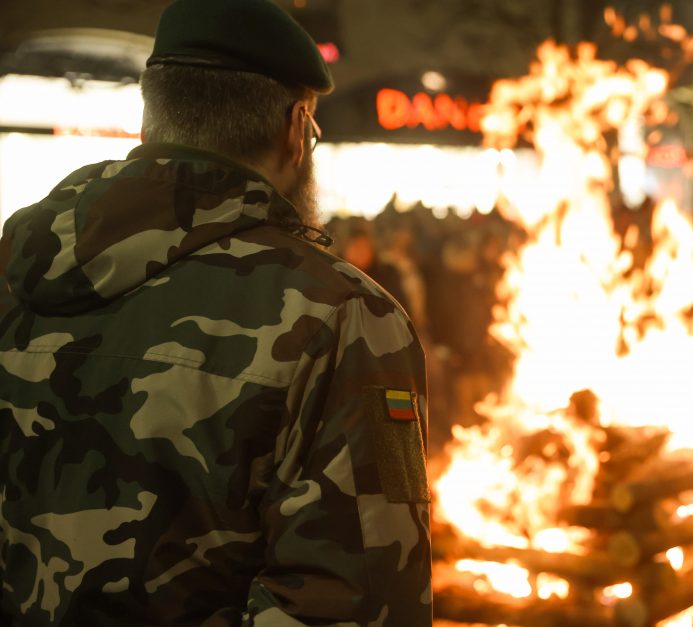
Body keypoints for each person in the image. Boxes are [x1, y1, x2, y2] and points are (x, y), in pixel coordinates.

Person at [0, 0, 432, 625]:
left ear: (151, 124)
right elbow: (359, 597)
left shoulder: (13, 274)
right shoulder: (343, 316)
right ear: (296, 126)